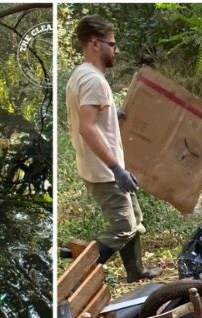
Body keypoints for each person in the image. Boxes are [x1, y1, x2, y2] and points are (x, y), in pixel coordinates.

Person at [66, 15, 160, 281]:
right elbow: (87, 127)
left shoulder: (81, 74)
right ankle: (78, 275)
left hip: (100, 165)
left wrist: (110, 114)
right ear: (94, 43)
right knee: (123, 226)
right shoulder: (94, 80)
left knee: (135, 218)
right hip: (104, 170)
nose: (116, 50)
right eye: (112, 44)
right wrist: (117, 169)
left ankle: (136, 271)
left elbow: (89, 118)